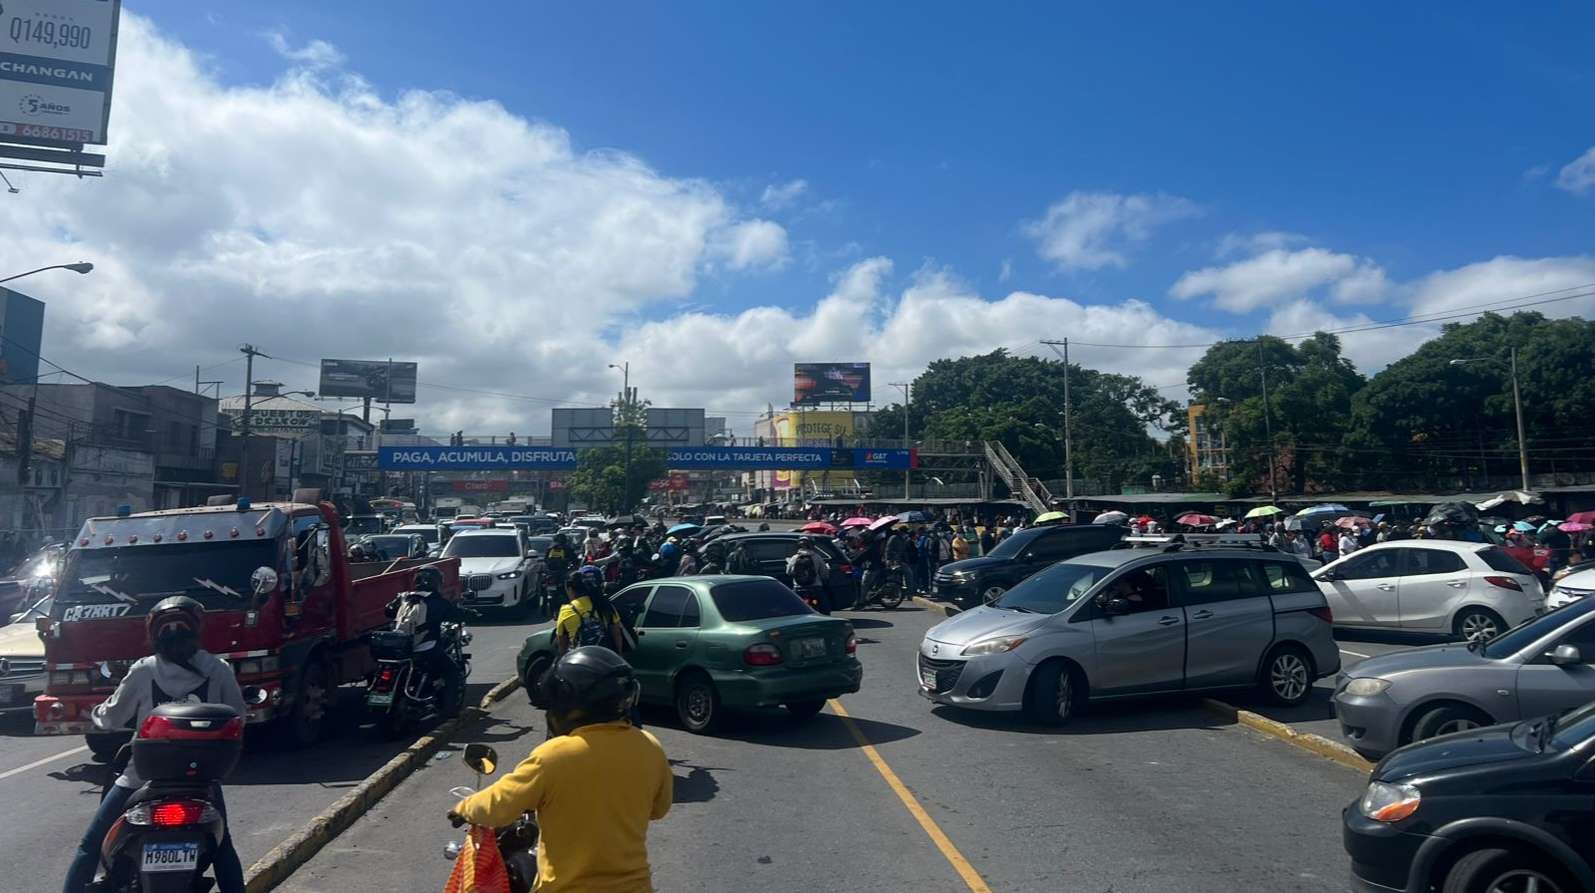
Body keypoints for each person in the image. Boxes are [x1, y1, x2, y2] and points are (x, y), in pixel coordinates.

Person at [64, 597, 247, 893]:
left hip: (141, 779)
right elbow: (238, 718)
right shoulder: (218, 669)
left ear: (154, 634)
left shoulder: (144, 670)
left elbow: (111, 718)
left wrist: (96, 713)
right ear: (196, 630)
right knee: (223, 849)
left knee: (90, 846)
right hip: (200, 783)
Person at [451, 648, 671, 893]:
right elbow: (659, 809)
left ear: (569, 704)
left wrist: (464, 808)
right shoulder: (650, 747)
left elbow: (497, 807)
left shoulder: (554, 756)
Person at [387, 566, 465, 693]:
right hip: (425, 647)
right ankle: (449, 710)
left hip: (401, 647)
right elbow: (455, 615)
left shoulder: (404, 597)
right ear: (436, 582)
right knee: (452, 672)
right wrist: (473, 614)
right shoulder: (436, 601)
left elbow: (388, 611)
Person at [555, 570, 627, 655]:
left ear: (570, 589)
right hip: (605, 658)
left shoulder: (566, 610)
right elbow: (617, 634)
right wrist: (619, 655)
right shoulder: (603, 604)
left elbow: (562, 646)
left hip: (581, 660)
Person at [786, 537, 831, 613]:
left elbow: (788, 572)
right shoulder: (817, 557)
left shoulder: (795, 558)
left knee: (794, 608)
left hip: (798, 587)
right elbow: (824, 574)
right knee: (825, 608)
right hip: (815, 587)